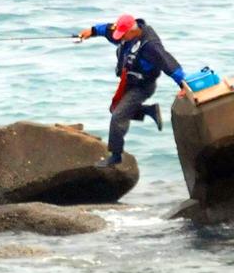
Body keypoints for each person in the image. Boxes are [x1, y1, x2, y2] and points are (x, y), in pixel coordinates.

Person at [78, 14, 191, 168]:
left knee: (118, 116)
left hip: (142, 86)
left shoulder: (150, 46)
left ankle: (115, 156)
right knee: (115, 109)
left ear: (132, 31)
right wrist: (91, 31)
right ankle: (149, 111)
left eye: (122, 36)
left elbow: (168, 63)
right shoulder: (125, 31)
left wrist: (183, 85)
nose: (119, 39)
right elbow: (107, 29)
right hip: (129, 82)